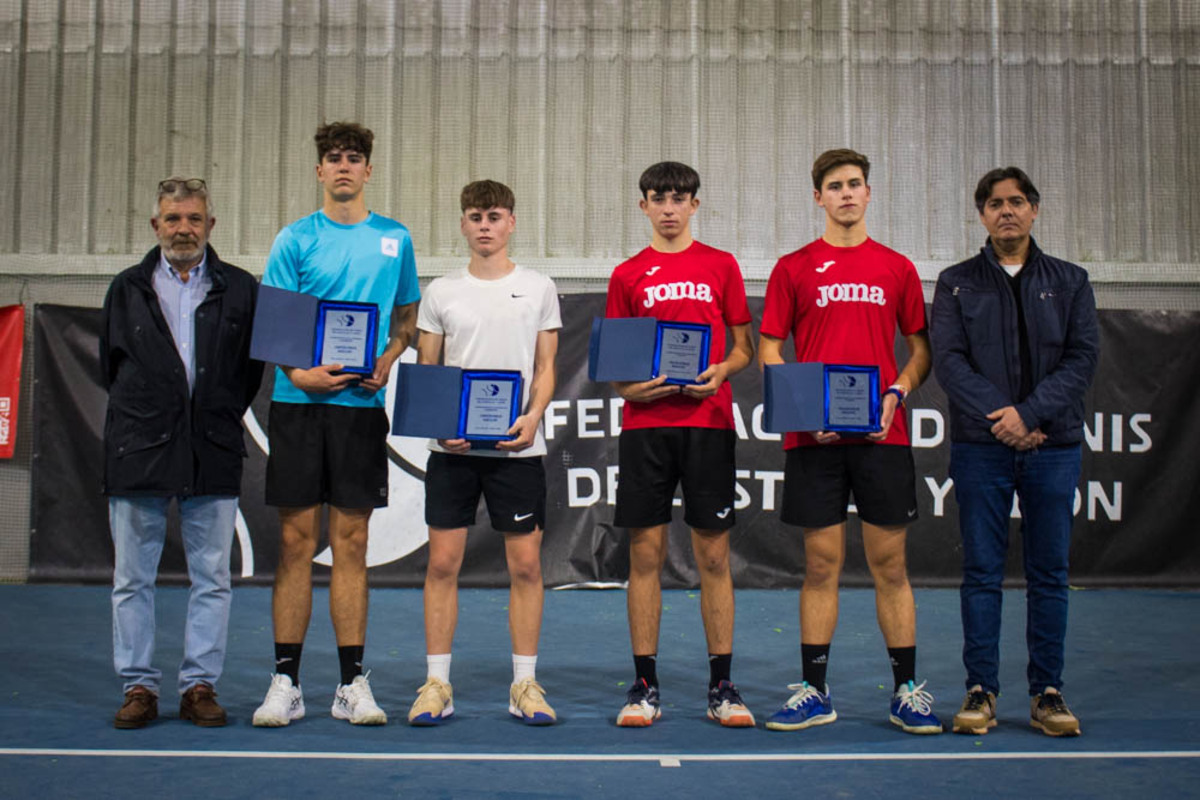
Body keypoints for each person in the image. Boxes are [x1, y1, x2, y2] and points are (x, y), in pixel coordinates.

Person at [758, 148, 942, 735]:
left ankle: (907, 691)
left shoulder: (897, 267)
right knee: (821, 565)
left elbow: (920, 351)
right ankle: (814, 691)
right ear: (818, 197)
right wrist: (802, 409)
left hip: (882, 436)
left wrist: (898, 392)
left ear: (869, 192)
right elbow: (768, 349)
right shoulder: (793, 267)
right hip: (814, 440)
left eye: (854, 184)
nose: (845, 194)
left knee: (891, 564)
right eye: (834, 186)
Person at [251, 122, 420, 727]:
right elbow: (276, 326)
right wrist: (300, 375)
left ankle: (352, 684)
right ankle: (286, 682)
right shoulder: (294, 239)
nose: (343, 167)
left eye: (353, 159)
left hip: (359, 413)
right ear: (319, 171)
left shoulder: (395, 240)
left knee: (352, 544)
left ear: (368, 171)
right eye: (332, 159)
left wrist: (387, 360)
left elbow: (406, 318)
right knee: (296, 543)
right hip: (298, 407)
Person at [931, 167, 1099, 737]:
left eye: (1018, 202)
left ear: (1034, 210)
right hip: (983, 448)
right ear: (981, 214)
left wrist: (1030, 415)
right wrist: (1005, 418)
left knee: (1049, 573)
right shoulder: (955, 283)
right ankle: (980, 691)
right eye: (996, 203)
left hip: (1053, 446)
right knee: (981, 572)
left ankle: (1047, 692)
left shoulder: (1071, 280)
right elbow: (950, 363)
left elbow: (1081, 359)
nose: (1007, 211)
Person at [101, 177, 263, 729]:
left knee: (213, 578)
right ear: (156, 226)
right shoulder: (126, 289)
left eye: (194, 219)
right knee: (131, 578)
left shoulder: (241, 288)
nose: (183, 229)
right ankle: (139, 686)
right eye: (173, 219)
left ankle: (199, 684)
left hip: (212, 447)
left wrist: (208, 414)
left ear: (210, 225)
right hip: (138, 448)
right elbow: (112, 368)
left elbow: (249, 374)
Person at [405, 180, 562, 727]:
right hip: (452, 452)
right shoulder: (441, 292)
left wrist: (533, 417)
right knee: (443, 564)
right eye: (475, 216)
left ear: (511, 222)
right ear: (464, 224)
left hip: (517, 450)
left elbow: (545, 369)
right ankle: (436, 683)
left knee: (525, 567)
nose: (485, 225)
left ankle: (524, 683)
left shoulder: (539, 287)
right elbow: (429, 371)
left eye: (495, 216)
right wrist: (441, 422)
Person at [605, 161, 756, 728]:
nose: (668, 208)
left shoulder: (721, 265)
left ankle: (723, 685)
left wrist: (722, 371)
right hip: (646, 428)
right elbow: (617, 362)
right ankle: (644, 684)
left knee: (713, 555)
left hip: (708, 424)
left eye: (679, 198)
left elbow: (743, 345)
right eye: (657, 198)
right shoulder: (627, 274)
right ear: (643, 206)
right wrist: (627, 387)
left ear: (695, 204)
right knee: (645, 554)